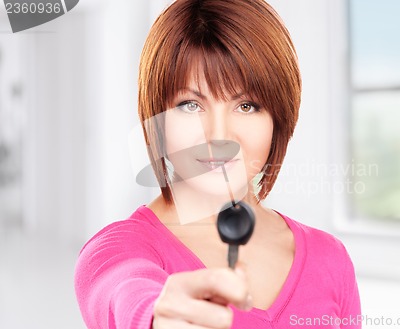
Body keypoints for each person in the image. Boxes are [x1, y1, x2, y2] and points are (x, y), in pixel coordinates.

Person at [74, 0, 362, 328]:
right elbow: (125, 291)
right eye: (191, 104)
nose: (219, 135)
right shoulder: (114, 252)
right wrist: (156, 317)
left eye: (247, 106)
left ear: (278, 119)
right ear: (157, 120)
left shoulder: (330, 258)